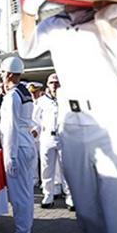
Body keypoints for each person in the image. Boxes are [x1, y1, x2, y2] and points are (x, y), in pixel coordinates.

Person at [18, 0, 117, 233]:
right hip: (71, 121)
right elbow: (26, 49)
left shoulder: (112, 14)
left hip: (109, 117)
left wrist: (105, 26)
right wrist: (29, 8)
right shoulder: (54, 23)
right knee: (85, 212)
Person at [0, 56, 37, 233]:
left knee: (19, 195)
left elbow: (10, 127)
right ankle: (25, 231)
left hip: (17, 147)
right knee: (27, 193)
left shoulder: (13, 95)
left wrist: (10, 156)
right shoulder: (23, 92)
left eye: (3, 72)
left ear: (10, 74)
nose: (2, 76)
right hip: (25, 145)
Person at [33, 73, 73, 210]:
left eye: (57, 82)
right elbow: (35, 119)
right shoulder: (41, 101)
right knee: (46, 169)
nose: (54, 85)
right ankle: (47, 196)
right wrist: (36, 131)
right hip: (47, 138)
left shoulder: (67, 99)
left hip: (64, 137)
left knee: (66, 169)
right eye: (51, 82)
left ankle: (70, 197)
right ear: (47, 85)